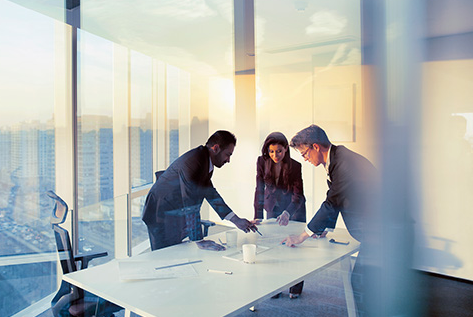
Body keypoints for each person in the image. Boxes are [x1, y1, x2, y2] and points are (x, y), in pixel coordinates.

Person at [281, 124, 377, 314]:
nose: (305, 159)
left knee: (362, 284)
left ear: (316, 146)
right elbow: (339, 196)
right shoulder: (338, 159)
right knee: (364, 284)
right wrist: (323, 228)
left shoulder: (344, 164)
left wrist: (302, 236)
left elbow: (332, 202)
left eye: (304, 153)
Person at [142, 130, 258, 251]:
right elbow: (191, 202)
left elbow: (211, 194)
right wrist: (199, 240)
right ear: (216, 148)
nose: (228, 160)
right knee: (165, 256)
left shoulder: (205, 161)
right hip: (160, 212)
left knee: (176, 252)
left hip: (174, 211)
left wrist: (236, 220)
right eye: (228, 154)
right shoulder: (194, 161)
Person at [253, 132, 306, 298]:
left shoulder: (295, 166)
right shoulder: (262, 162)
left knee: (294, 249)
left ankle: (295, 288)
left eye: (279, 151)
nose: (275, 155)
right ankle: (274, 286)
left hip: (294, 209)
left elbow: (299, 195)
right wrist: (258, 215)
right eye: (271, 151)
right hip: (272, 207)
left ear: (286, 150)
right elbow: (259, 189)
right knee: (273, 248)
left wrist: (287, 213)